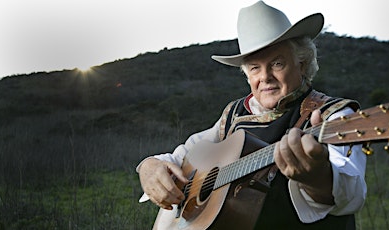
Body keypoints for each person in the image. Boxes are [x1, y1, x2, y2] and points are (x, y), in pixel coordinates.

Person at [137, 1, 366, 229]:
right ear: (247, 75)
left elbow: (352, 196)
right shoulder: (234, 113)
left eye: (277, 63)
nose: (265, 77)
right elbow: (187, 155)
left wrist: (319, 178)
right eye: (255, 68)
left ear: (302, 64)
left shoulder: (335, 116)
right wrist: (149, 166)